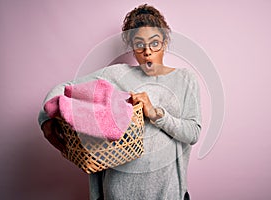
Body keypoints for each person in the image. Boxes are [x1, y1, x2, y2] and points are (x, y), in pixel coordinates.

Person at [38, 4, 201, 200]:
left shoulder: (185, 79)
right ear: (133, 47)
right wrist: (45, 119)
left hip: (168, 193)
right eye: (139, 44)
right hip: (118, 192)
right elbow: (65, 88)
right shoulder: (117, 74)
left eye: (154, 43)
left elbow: (193, 133)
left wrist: (156, 114)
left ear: (165, 42)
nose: (147, 51)